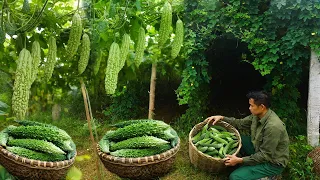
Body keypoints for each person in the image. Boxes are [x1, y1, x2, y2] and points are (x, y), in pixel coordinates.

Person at [205, 91, 289, 180]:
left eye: (252, 106)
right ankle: (249, 165)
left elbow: (265, 155)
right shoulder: (257, 115)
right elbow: (240, 123)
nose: (249, 108)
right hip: (259, 149)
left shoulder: (273, 127)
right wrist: (221, 117)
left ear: (262, 107)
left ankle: (270, 176)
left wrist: (240, 160)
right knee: (238, 139)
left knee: (235, 177)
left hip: (271, 163)